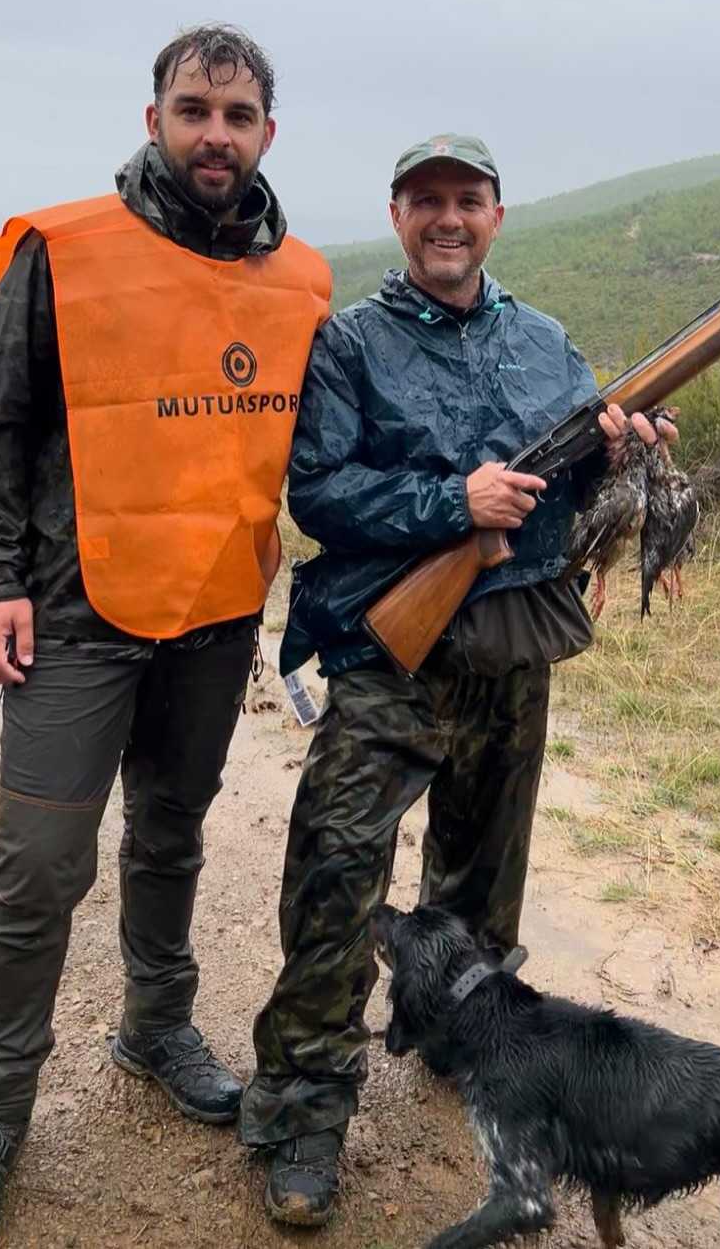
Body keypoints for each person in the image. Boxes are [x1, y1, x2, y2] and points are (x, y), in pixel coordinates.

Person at [0, 25, 331, 1249]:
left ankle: (155, 1027)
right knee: (37, 869)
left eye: (238, 115)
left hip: (215, 613)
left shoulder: (302, 279)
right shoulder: (63, 250)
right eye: (194, 108)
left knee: (171, 833)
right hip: (73, 607)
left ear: (267, 133)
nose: (215, 132)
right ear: (154, 119)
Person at [238, 133, 676, 1225]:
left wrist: (621, 453)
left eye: (467, 200)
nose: (448, 218)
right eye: (426, 199)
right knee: (339, 877)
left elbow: (572, 494)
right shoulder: (351, 343)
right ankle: (304, 1108)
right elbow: (318, 493)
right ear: (398, 216)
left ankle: (467, 1049)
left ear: (496, 215)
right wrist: (452, 503)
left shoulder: (545, 342)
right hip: (390, 657)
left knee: (481, 888)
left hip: (513, 649)